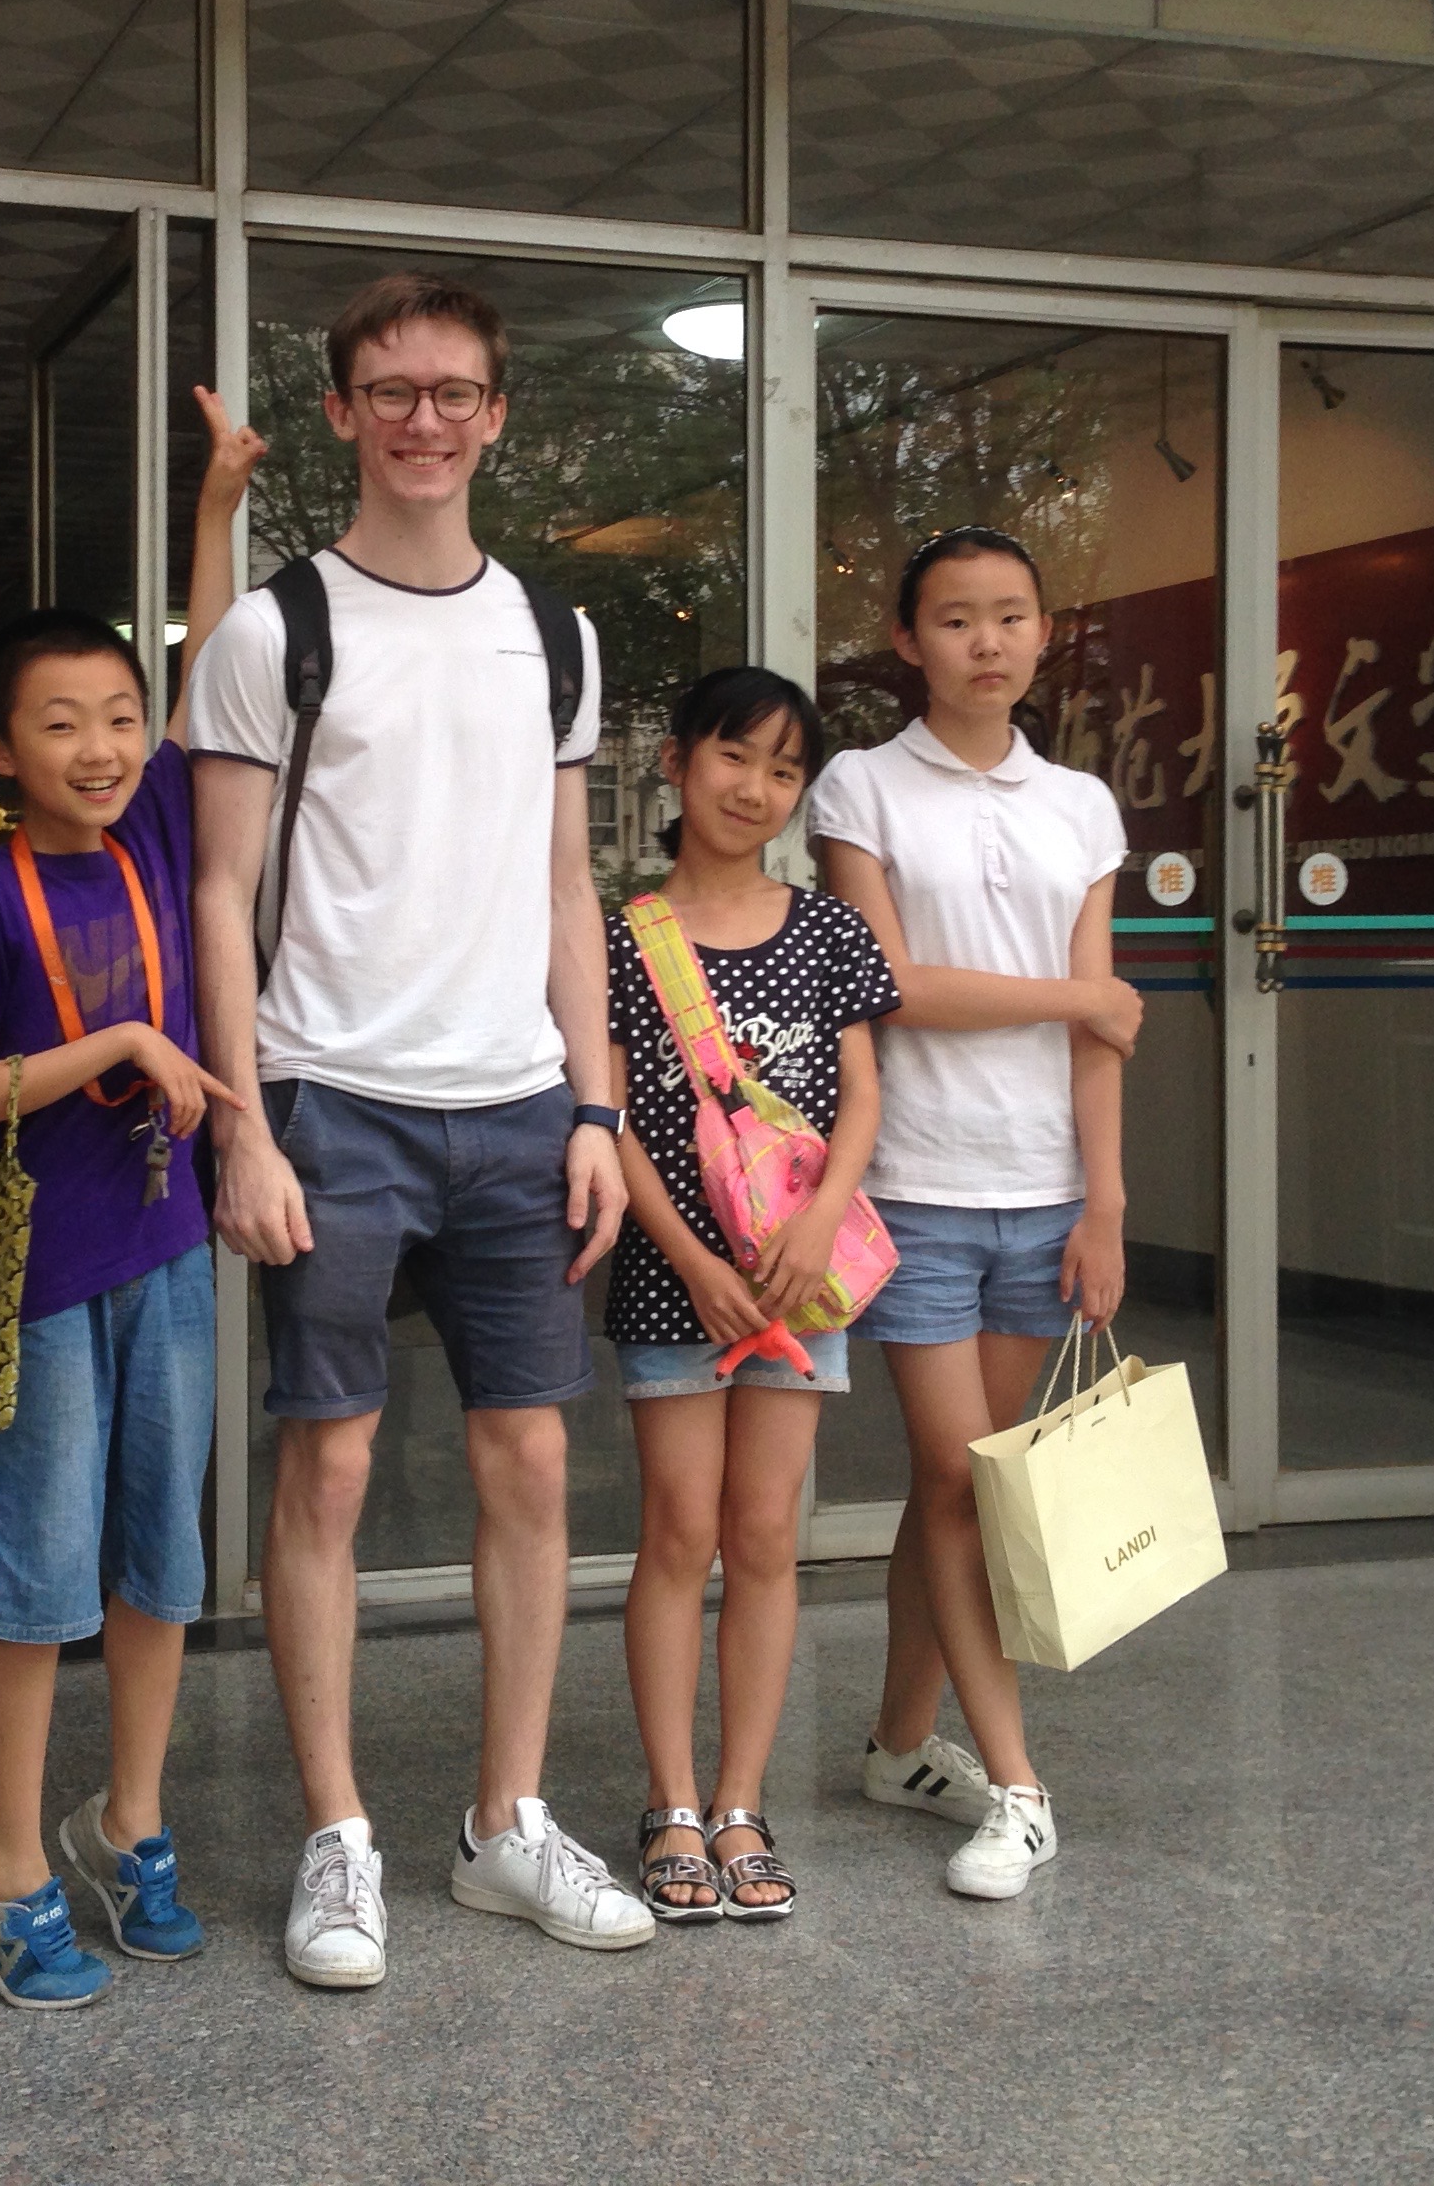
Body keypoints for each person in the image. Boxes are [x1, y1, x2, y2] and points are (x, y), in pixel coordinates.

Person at [185, 270, 654, 1990]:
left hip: (517, 1104)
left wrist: (594, 1102)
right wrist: (243, 1128)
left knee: (530, 1461)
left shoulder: (554, 633)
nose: (423, 419)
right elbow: (219, 892)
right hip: (332, 1095)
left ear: (496, 415)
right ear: (340, 413)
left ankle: (501, 1820)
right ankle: (335, 1833)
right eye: (390, 390)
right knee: (328, 1462)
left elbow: (567, 885)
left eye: (455, 391)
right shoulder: (276, 630)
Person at [0, 387, 259, 2009]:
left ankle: (129, 1827)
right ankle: (6, 1871)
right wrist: (118, 1041)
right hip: (32, 1270)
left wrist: (216, 502)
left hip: (166, 1250)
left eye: (117, 714)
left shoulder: (158, 828)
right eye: (59, 724)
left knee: (159, 1568)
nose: (103, 746)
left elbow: (208, 662)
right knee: (39, 1581)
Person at [806, 524, 1141, 1904]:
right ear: (908, 640)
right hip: (917, 1190)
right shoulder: (860, 787)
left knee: (966, 1489)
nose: (986, 641)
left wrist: (1106, 1201)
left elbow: (1103, 1037)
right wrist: (1079, 996)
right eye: (955, 619)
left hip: (1045, 1190)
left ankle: (900, 1745)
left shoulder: (1082, 807)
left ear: (1044, 632)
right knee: (963, 1484)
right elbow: (888, 984)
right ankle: (1018, 1785)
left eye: (1010, 615)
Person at [607, 667, 898, 1925]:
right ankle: (670, 1803)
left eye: (785, 771)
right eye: (736, 756)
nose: (757, 789)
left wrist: (822, 1219)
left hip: (799, 1280)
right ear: (677, 761)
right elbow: (609, 1115)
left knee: (767, 1534)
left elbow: (864, 1093)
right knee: (681, 1530)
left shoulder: (828, 929)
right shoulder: (622, 935)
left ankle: (740, 1803)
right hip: (677, 1278)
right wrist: (690, 1258)